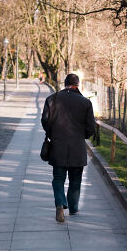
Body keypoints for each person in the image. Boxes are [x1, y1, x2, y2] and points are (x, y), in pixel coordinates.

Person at [41, 73, 96, 223]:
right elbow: (91, 127)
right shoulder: (85, 103)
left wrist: (53, 133)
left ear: (64, 84)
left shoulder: (52, 99)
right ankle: (73, 207)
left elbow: (44, 121)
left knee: (58, 178)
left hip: (57, 146)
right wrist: (82, 135)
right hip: (77, 147)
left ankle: (60, 203)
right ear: (78, 85)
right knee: (75, 180)